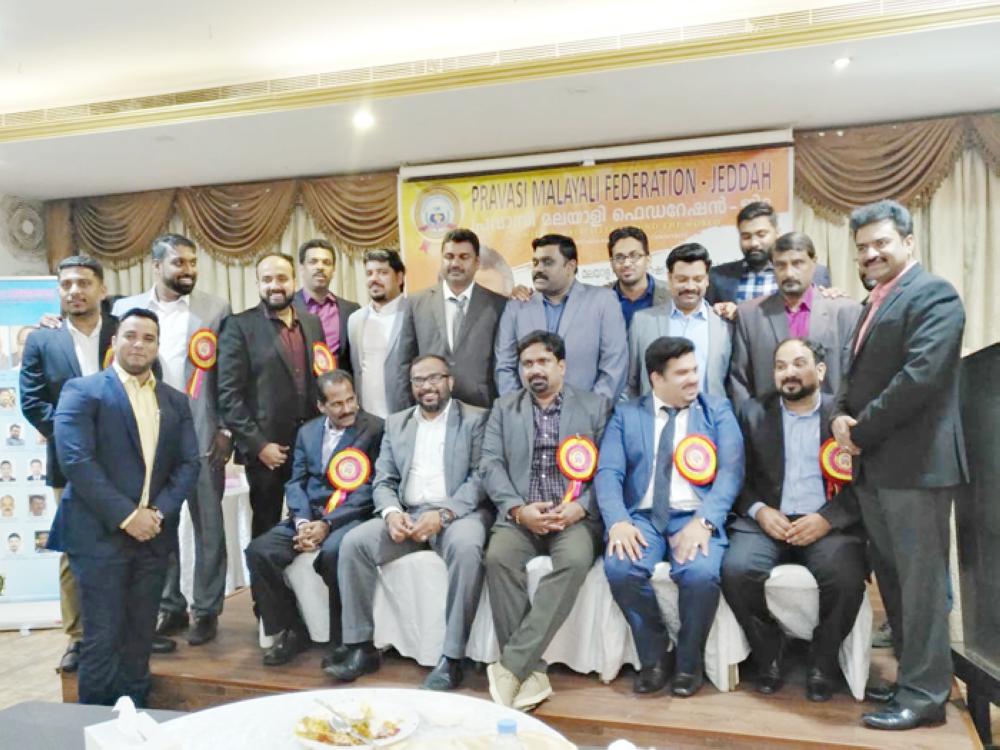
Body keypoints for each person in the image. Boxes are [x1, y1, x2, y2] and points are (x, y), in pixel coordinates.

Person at [832, 199, 967, 731]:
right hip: (878, 471)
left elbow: (920, 379)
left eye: (881, 243)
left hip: (916, 470)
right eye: (863, 247)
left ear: (908, 242)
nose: (871, 254)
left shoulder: (933, 294)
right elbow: (856, 377)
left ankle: (928, 697)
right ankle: (915, 678)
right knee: (894, 586)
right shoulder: (874, 302)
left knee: (922, 587)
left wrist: (858, 432)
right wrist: (840, 416)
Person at [49, 308, 200, 707]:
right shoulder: (82, 391)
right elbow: (77, 462)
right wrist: (128, 516)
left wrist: (156, 515)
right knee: (102, 638)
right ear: (115, 341)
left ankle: (136, 720)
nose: (139, 344)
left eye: (148, 338)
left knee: (139, 638)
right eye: (131, 335)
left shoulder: (175, 401)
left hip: (152, 536)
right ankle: (94, 728)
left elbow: (189, 464)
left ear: (157, 345)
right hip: (99, 536)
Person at [595, 336, 743, 698]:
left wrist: (706, 521)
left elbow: (732, 472)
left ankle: (689, 664)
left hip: (694, 513)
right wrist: (618, 521)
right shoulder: (627, 415)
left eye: (694, 370)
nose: (693, 379)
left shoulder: (717, 410)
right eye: (682, 373)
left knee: (700, 573)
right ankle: (656, 655)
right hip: (642, 516)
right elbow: (608, 472)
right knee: (620, 567)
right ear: (656, 378)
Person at [331, 356, 489, 690]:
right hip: (408, 513)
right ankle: (361, 646)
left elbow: (480, 479)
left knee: (467, 547)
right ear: (412, 386)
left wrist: (443, 514)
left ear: (450, 381)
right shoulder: (397, 423)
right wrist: (390, 514)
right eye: (419, 380)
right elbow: (384, 480)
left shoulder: (475, 420)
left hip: (455, 515)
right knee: (354, 543)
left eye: (434, 378)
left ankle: (452, 657)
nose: (427, 386)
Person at [722, 338, 866, 702]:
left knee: (847, 578)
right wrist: (760, 511)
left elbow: (867, 481)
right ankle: (770, 652)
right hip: (768, 521)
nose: (789, 373)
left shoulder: (843, 416)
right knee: (736, 570)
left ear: (820, 371)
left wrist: (828, 519)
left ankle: (823, 659)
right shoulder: (753, 413)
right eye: (781, 366)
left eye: (799, 363)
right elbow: (734, 478)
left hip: (825, 523)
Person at [113, 233, 233, 647]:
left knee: (210, 526)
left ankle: (207, 608)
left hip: (203, 434)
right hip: (149, 438)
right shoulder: (125, 311)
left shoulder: (216, 309)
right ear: (156, 265)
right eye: (179, 263)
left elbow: (227, 374)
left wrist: (226, 429)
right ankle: (170, 605)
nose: (188, 271)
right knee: (159, 524)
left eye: (193, 263)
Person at [481, 331, 612, 710]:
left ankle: (510, 665)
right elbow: (490, 464)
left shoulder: (594, 407)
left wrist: (583, 506)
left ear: (562, 365)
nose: (534, 370)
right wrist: (518, 509)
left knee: (573, 561)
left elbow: (609, 468)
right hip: (521, 515)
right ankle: (530, 669)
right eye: (527, 364)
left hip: (572, 516)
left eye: (542, 362)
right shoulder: (504, 408)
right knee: (497, 558)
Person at [244, 370, 383, 668]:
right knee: (259, 552)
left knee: (334, 553)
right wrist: (303, 522)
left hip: (349, 516)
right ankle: (292, 630)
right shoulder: (307, 432)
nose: (347, 409)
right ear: (321, 406)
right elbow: (296, 482)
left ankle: (342, 640)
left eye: (350, 400)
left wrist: (328, 524)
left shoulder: (374, 429)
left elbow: (371, 487)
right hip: (309, 516)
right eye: (337, 404)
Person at [19, 254, 117, 673]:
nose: (74, 291)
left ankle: (131, 629)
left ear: (102, 289)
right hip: (71, 460)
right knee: (75, 546)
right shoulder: (43, 339)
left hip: (126, 457)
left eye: (83, 283)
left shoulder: (122, 329)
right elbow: (32, 400)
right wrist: (72, 436)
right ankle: (78, 637)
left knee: (130, 544)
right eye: (66, 285)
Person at [218, 253, 327, 539]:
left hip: (310, 447)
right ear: (257, 284)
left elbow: (322, 380)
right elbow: (229, 396)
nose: (274, 285)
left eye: (281, 278)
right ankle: (266, 585)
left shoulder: (312, 323)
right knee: (266, 528)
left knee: (312, 522)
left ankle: (302, 584)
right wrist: (259, 445)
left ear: (294, 280)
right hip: (267, 453)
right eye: (267, 279)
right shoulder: (239, 326)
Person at [728, 231, 861, 410]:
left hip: (830, 427)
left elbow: (854, 377)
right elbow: (739, 382)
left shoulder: (845, 312)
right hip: (770, 428)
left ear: (814, 263)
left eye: (797, 263)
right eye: (780, 265)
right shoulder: (750, 315)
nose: (789, 273)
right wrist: (751, 425)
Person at [495, 235, 627, 402]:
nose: (538, 269)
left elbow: (614, 365)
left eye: (547, 262)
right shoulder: (517, 307)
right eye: (535, 262)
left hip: (588, 418)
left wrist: (591, 412)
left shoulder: (603, 301)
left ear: (570, 266)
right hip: (529, 420)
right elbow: (504, 366)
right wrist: (518, 411)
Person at [399, 228, 507, 408]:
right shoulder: (416, 303)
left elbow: (502, 362)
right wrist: (407, 409)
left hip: (482, 408)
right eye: (449, 256)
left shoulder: (498, 304)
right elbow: (404, 362)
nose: (455, 263)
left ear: (477, 262)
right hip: (430, 407)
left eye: (464, 257)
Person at [627, 243, 731, 399]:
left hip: (710, 421)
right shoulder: (642, 322)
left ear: (707, 279)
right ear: (669, 278)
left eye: (697, 279)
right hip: (655, 419)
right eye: (682, 279)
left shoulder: (725, 324)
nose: (690, 286)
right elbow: (629, 383)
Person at [707, 202, 831, 317]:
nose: (754, 243)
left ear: (777, 233)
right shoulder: (718, 277)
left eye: (761, 235)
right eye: (746, 236)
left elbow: (823, 317)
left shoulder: (815, 273)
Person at [346, 249, 411, 418]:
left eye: (382, 272)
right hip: (365, 420)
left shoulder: (415, 314)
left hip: (405, 418)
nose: (374, 279)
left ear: (399, 277)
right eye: (369, 273)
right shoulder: (355, 320)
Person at [293, 239, 360, 373]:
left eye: (326, 263)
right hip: (302, 389)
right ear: (301, 268)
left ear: (334, 270)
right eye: (313, 262)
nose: (320, 267)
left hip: (340, 388)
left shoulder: (352, 310)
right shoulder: (288, 307)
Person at [605, 226, 671, 329]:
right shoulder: (599, 299)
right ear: (611, 263)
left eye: (634, 256)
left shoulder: (671, 295)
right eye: (619, 257)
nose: (626, 264)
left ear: (648, 260)